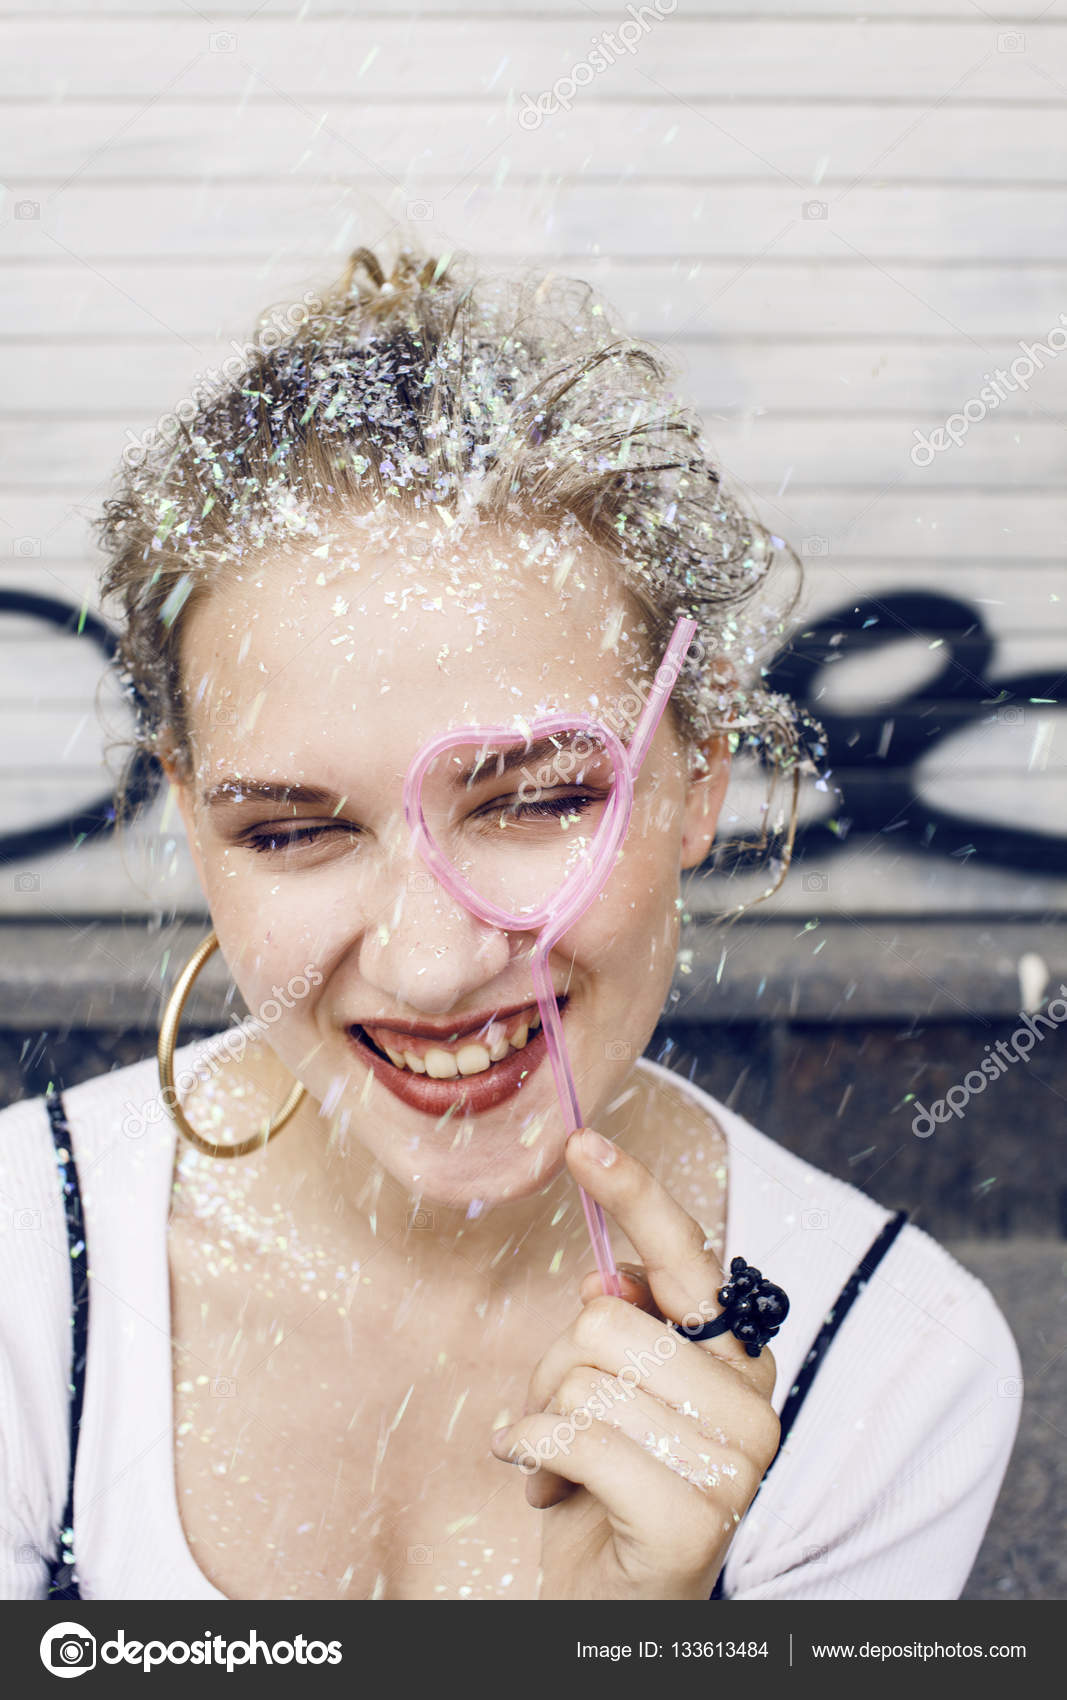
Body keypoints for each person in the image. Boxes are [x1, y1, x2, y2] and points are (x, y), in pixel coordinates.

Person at [0, 247, 1021, 1602]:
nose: (431, 962)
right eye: (292, 831)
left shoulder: (895, 1373)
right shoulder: (21, 1274)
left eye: (537, 803)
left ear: (700, 770)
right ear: (192, 822)